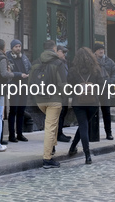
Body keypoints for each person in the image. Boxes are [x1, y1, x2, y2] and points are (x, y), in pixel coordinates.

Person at [33, 40, 67, 169]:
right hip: (54, 99)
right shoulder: (58, 63)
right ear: (54, 49)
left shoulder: (36, 62)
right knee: (50, 127)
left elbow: (30, 82)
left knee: (52, 124)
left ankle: (51, 149)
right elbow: (62, 83)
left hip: (39, 99)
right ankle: (47, 159)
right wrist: (65, 98)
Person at [67, 47, 104, 164]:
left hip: (78, 102)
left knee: (83, 125)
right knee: (84, 125)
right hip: (93, 103)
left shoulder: (73, 70)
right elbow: (102, 85)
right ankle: (75, 149)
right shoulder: (96, 70)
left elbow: (69, 86)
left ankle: (86, 154)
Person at [5, 39, 31, 143]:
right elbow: (7, 73)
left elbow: (30, 67)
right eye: (16, 46)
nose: (18, 48)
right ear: (12, 48)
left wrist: (29, 74)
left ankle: (20, 134)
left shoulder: (24, 57)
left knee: (21, 111)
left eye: (19, 46)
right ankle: (11, 135)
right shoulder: (7, 58)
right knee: (13, 111)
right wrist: (19, 74)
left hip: (24, 87)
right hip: (13, 87)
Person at [93, 43, 115, 140]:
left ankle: (108, 132)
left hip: (106, 89)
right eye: (99, 49)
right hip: (95, 90)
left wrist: (110, 82)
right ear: (95, 51)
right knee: (93, 111)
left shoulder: (109, 61)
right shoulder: (91, 61)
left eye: (102, 49)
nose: (101, 51)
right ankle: (94, 133)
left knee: (106, 112)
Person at [55, 45, 71, 142]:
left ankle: (60, 132)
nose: (64, 54)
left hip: (65, 91)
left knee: (63, 112)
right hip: (58, 92)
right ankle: (58, 134)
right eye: (63, 52)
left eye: (65, 53)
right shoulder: (56, 63)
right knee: (59, 114)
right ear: (57, 52)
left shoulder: (64, 63)